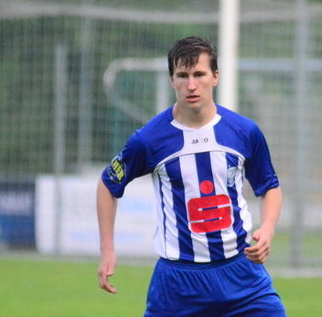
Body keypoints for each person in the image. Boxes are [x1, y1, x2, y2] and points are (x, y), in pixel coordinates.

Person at [97, 36, 286, 316]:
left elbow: (270, 186)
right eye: (183, 76)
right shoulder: (149, 140)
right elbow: (107, 185)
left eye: (199, 74)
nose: (191, 85)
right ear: (172, 80)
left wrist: (267, 229)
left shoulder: (244, 131)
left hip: (242, 276)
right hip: (179, 283)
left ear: (215, 77)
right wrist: (108, 250)